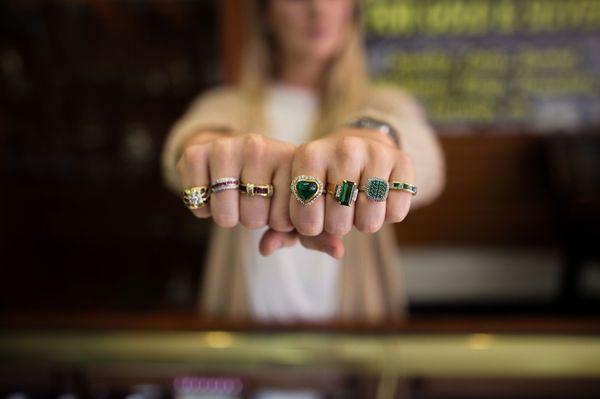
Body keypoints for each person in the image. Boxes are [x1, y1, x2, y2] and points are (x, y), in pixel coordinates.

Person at [161, 0, 446, 324]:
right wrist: (203, 153)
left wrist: (378, 138)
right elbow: (188, 146)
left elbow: (430, 165)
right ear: (266, 13)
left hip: (357, 338)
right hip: (245, 334)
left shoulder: (384, 103)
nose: (318, 9)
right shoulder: (227, 104)